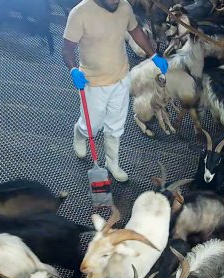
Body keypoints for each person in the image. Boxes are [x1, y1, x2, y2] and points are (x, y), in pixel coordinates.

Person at [62, 0, 167, 182]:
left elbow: (135, 31)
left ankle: (113, 163)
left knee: (116, 126)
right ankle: (80, 134)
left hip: (121, 78)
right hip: (93, 82)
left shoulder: (124, 7)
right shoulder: (80, 13)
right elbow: (67, 49)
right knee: (91, 126)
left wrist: (153, 55)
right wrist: (73, 70)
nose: (115, 1)